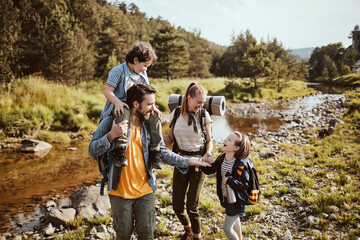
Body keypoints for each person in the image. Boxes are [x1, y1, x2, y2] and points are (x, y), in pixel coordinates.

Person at [89, 84, 210, 240]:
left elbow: (163, 152)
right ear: (135, 104)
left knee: (147, 234)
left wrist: (188, 161)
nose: (154, 108)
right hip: (119, 193)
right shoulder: (110, 122)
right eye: (150, 104)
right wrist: (111, 136)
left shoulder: (150, 124)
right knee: (123, 235)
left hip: (146, 191)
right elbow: (92, 150)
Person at [100, 41, 162, 169]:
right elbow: (108, 91)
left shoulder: (142, 73)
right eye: (145, 65)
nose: (146, 69)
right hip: (120, 105)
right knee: (124, 110)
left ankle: (155, 151)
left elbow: (148, 91)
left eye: (147, 66)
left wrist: (152, 106)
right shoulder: (118, 71)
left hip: (137, 106)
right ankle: (120, 149)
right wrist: (117, 101)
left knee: (155, 116)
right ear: (135, 60)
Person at [163, 82, 213, 240]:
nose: (201, 105)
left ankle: (198, 237)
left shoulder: (204, 115)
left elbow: (209, 140)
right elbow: (169, 139)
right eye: (198, 102)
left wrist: (208, 153)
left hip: (199, 163)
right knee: (177, 206)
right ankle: (188, 229)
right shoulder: (176, 113)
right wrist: (155, 133)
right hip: (180, 162)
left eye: (203, 102)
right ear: (188, 98)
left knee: (192, 206)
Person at [202, 131, 252, 240]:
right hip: (227, 198)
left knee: (227, 228)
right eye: (226, 138)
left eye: (229, 140)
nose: (224, 140)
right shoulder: (222, 158)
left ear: (236, 148)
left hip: (237, 201)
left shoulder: (240, 164)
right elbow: (211, 170)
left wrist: (229, 180)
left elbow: (244, 185)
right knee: (235, 221)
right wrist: (204, 162)